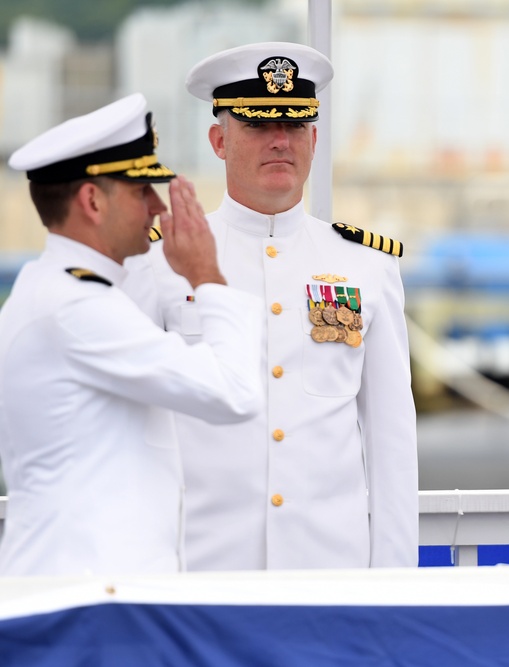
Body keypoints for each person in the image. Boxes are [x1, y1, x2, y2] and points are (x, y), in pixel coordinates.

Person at [122, 42, 418, 570]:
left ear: (315, 138)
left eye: (295, 125)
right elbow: (129, 430)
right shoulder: (158, 259)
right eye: (258, 126)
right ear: (219, 140)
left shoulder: (368, 267)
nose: (280, 140)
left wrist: (394, 590)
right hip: (201, 576)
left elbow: (392, 442)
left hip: (330, 578)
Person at [0, 94, 264, 576]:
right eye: (141, 189)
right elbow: (236, 394)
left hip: (91, 602)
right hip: (84, 611)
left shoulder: (57, 290)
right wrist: (207, 276)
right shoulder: (75, 306)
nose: (157, 206)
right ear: (92, 200)